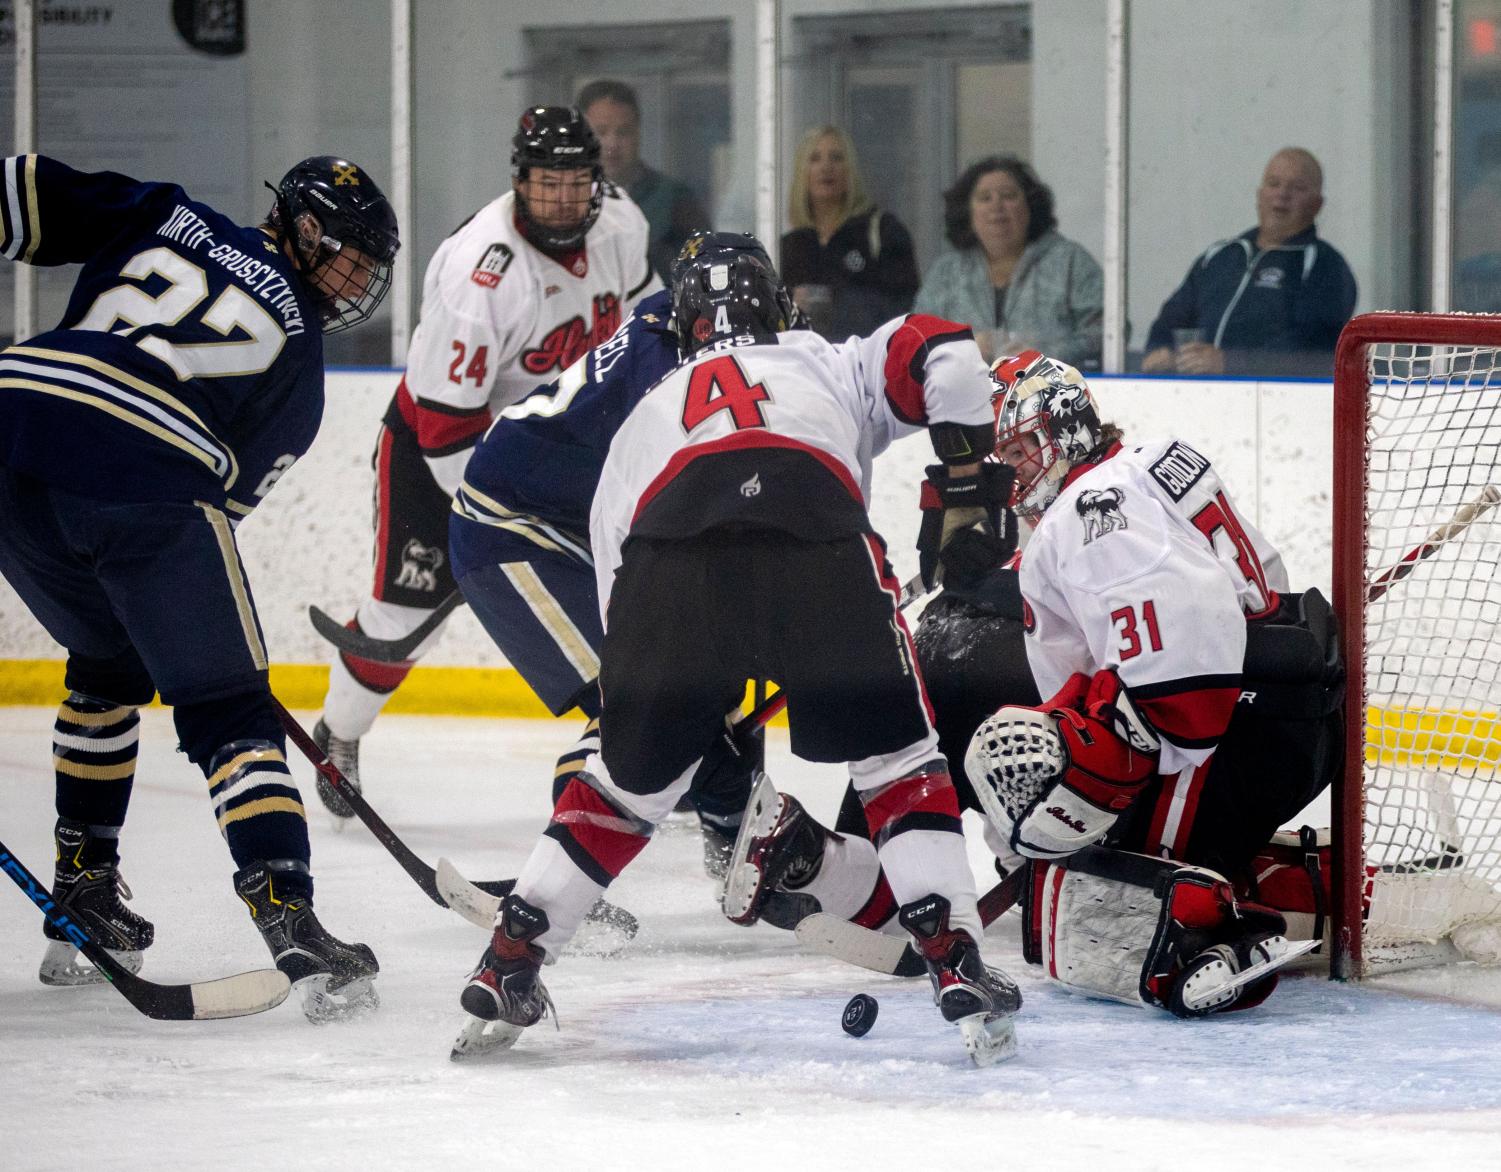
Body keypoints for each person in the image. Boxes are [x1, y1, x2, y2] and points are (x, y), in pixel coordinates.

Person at [451, 239, 1022, 1066]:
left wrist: (658, 696)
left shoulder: (649, 409)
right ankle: (953, 955)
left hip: (666, 553)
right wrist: (969, 482)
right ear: (780, 307)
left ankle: (513, 954)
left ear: (682, 326)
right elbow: (947, 350)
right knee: (895, 761)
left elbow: (618, 573)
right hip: (815, 530)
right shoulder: (828, 359)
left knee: (625, 780)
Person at [749, 351, 1343, 1018]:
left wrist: (1085, 765)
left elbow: (1186, 685)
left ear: (1063, 430)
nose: (1012, 471)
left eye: (1020, 449)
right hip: (1282, 718)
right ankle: (890, 864)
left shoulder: (1092, 509)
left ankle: (1206, 931)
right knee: (970, 669)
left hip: (1224, 738)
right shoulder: (1144, 462)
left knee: (1054, 853)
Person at [0, 152, 401, 1021]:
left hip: (12, 423)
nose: (359, 281)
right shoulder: (299, 367)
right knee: (229, 711)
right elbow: (208, 517)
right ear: (303, 228)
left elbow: (20, 187)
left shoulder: (161, 211)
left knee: (106, 662)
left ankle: (84, 893)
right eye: (353, 259)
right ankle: (289, 915)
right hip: (146, 469)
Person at [313, 107, 660, 815]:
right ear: (519, 181)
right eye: (546, 182)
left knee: (628, 596)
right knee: (398, 613)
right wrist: (501, 524)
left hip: (564, 441)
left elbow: (649, 331)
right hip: (441, 450)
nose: (563, 198)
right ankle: (338, 736)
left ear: (598, 181)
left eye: (576, 182)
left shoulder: (622, 225)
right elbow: (444, 428)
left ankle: (655, 756)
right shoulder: (482, 274)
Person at [448, 233, 774, 877]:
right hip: (514, 531)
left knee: (715, 690)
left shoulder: (682, 325)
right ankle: (557, 878)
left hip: (587, 526)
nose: (741, 327)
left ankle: (738, 844)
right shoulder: (666, 380)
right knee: (639, 700)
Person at [1141, 147, 1357, 377]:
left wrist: (1231, 362)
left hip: (1277, 403)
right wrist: (1159, 350)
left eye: (1298, 188)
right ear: (1259, 195)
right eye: (1274, 184)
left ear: (1317, 204)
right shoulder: (1220, 255)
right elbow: (1173, 316)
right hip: (1193, 395)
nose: (1282, 194)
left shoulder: (1326, 266)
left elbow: (1313, 347)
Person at [915, 156, 1102, 369]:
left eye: (1008, 196)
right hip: (964, 397)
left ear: (1030, 206)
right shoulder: (946, 272)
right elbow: (917, 341)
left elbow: (1107, 334)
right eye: (985, 198)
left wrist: (1045, 355)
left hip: (1050, 394)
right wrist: (962, 349)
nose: (997, 206)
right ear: (967, 212)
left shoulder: (1070, 261)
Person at [779, 125, 919, 340]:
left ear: (851, 169)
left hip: (866, 362)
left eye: (836, 157)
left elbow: (904, 307)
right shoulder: (791, 245)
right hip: (804, 365)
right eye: (815, 158)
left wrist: (838, 302)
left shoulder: (882, 231)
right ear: (802, 171)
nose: (826, 167)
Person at [579, 79, 710, 285]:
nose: (612, 143)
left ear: (638, 132)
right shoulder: (565, 199)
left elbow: (704, 272)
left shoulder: (675, 199)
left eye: (623, 132)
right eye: (601, 132)